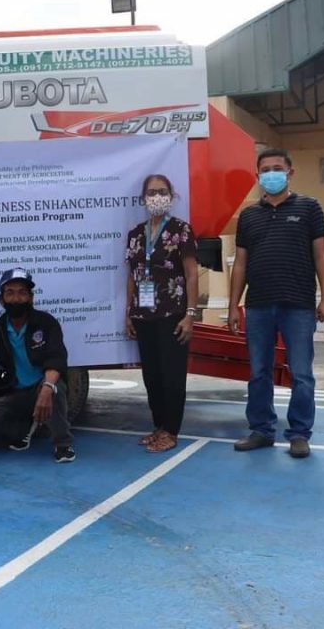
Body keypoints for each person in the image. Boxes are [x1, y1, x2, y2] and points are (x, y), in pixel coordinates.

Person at [228, 148, 324, 459]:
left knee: (301, 373)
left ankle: (299, 434)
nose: (271, 174)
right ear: (257, 175)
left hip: (298, 306)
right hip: (258, 306)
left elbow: (321, 256)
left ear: (290, 172)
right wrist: (233, 306)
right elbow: (240, 263)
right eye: (265, 170)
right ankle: (261, 430)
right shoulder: (248, 216)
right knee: (259, 372)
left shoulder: (310, 208)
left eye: (277, 168)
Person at [124, 174, 199, 453]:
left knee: (172, 375)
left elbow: (191, 274)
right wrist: (128, 312)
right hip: (143, 316)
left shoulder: (182, 230)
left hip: (173, 314)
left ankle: (171, 431)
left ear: (171, 195)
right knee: (152, 376)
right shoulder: (135, 234)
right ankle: (159, 426)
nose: (157, 196)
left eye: (163, 191)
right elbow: (131, 276)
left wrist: (190, 314)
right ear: (143, 198)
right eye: (152, 192)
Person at [0, 269, 74, 463]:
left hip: (44, 385)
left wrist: (47, 388)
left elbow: (57, 358)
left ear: (31, 298)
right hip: (18, 392)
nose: (16, 299)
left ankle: (62, 444)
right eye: (10, 293)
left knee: (54, 388)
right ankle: (24, 429)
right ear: (1, 299)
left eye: (22, 293)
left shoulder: (46, 323)